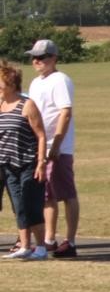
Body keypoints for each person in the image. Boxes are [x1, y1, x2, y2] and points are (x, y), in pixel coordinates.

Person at [25, 39, 80, 257]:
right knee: (46, 194)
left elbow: (65, 113)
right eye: (34, 57)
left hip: (59, 147)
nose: (37, 61)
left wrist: (56, 144)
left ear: (54, 58)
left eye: (42, 57)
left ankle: (71, 241)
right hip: (41, 146)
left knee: (67, 193)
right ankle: (49, 239)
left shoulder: (60, 80)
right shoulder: (36, 83)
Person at [0, 60, 49, 260]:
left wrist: (41, 163)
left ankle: (41, 247)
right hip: (7, 164)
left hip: (29, 163)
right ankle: (25, 246)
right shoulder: (0, 104)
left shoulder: (27, 105)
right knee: (19, 206)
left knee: (31, 205)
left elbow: (41, 135)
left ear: (12, 85)